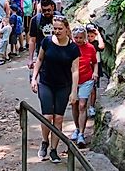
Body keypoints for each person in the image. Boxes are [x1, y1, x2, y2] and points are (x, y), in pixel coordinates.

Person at [31, 16, 80, 164]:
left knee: (58, 118)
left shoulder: (73, 48)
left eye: (60, 29)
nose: (57, 31)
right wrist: (34, 78)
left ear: (66, 29)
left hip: (63, 85)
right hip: (46, 83)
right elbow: (39, 59)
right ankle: (45, 141)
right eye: (55, 28)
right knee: (47, 117)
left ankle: (53, 149)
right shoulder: (47, 42)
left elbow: (75, 71)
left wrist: (74, 91)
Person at [70, 26, 98, 147]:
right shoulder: (69, 48)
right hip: (72, 80)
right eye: (76, 37)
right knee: (74, 104)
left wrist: (95, 72)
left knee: (82, 105)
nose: (78, 40)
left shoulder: (90, 48)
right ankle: (77, 128)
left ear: (85, 37)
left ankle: (81, 133)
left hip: (86, 79)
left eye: (81, 37)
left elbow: (95, 62)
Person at [28, 0, 57, 70]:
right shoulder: (36, 20)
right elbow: (32, 40)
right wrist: (30, 59)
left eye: (49, 10)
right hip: (42, 54)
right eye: (44, 10)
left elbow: (67, 34)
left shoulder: (59, 18)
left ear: (53, 7)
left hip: (58, 52)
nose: (47, 12)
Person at [86, 24, 106, 117]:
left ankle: (91, 106)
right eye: (88, 35)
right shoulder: (84, 43)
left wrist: (98, 34)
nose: (90, 38)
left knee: (93, 88)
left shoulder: (96, 44)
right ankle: (85, 105)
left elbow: (102, 46)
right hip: (85, 66)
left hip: (95, 67)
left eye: (92, 36)